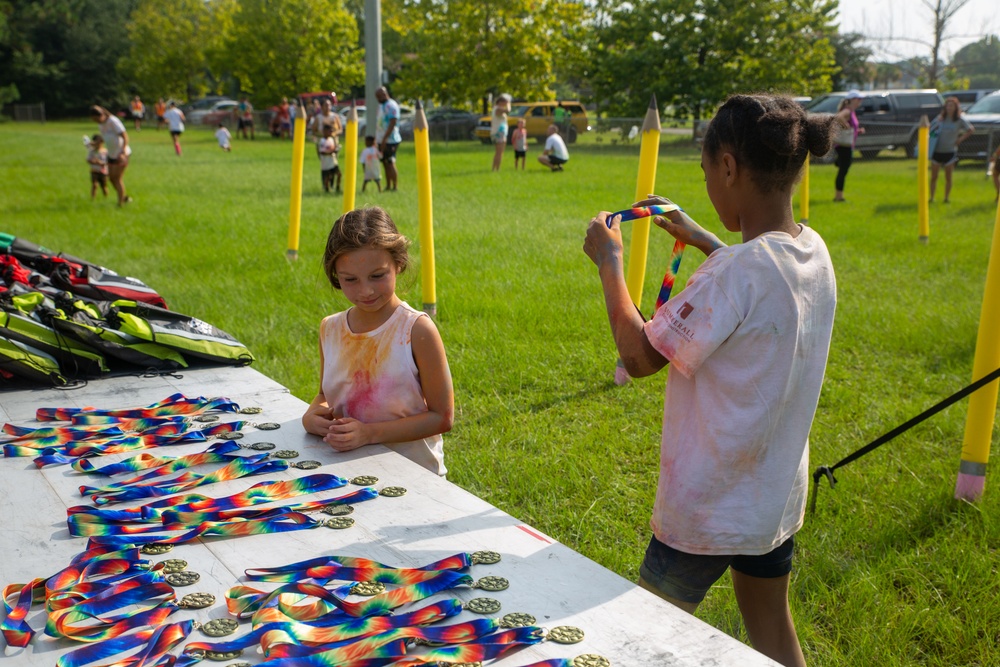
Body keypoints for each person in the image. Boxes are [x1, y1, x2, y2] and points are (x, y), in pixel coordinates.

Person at [583, 94, 837, 667]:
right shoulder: (811, 251)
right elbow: (755, 283)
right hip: (770, 498)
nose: (708, 184)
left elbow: (642, 355)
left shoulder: (734, 273)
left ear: (727, 166)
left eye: (705, 172)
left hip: (708, 506)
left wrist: (610, 263)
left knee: (644, 637)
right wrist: (703, 240)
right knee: (772, 624)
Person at [301, 206, 453, 476]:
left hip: (414, 476)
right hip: (346, 471)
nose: (365, 290)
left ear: (399, 263)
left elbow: (442, 417)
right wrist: (312, 416)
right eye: (350, 280)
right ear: (336, 276)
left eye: (377, 275)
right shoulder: (331, 328)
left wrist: (369, 433)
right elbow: (326, 395)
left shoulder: (416, 330)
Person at [929, 96, 974, 204]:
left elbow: (970, 129)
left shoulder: (959, 119)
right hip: (937, 151)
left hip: (950, 151)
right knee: (934, 176)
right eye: (947, 105)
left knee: (948, 177)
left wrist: (960, 139)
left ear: (955, 107)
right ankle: (931, 198)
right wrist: (936, 125)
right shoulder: (940, 118)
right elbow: (930, 130)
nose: (949, 108)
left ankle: (946, 198)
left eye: (951, 106)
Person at [89, 105, 132, 206]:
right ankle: (124, 197)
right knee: (112, 179)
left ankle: (120, 203)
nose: (97, 122)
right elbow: (105, 138)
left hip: (121, 154)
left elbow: (125, 136)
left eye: (97, 119)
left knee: (117, 178)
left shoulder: (113, 121)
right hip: (112, 154)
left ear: (102, 115)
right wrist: (94, 144)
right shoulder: (101, 124)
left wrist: (123, 152)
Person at [833, 90, 864, 202]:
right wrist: (846, 125)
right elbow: (838, 117)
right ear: (852, 100)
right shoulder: (847, 111)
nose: (860, 101)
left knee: (843, 167)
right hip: (843, 146)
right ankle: (839, 197)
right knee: (843, 170)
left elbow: (851, 126)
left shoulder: (852, 112)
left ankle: (837, 161)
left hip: (847, 145)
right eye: (858, 99)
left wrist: (858, 131)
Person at [375, 86, 401, 191]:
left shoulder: (391, 105)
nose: (379, 98)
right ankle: (388, 185)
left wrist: (385, 138)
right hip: (381, 139)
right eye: (377, 96)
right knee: (384, 162)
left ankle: (395, 186)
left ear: (386, 93)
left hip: (391, 140)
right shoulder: (381, 106)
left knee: (390, 162)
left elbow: (393, 122)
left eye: (381, 95)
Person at [317, 124, 340, 193]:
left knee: (339, 174)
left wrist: (336, 148)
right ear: (324, 131)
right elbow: (322, 152)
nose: (331, 133)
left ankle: (338, 188)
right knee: (327, 176)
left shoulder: (331, 139)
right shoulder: (322, 141)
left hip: (333, 161)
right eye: (329, 131)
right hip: (326, 162)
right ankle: (327, 189)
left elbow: (334, 147)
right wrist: (331, 152)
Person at [490, 94, 511, 171]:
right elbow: (508, 110)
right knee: (499, 152)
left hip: (501, 132)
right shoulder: (498, 109)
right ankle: (496, 169)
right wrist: (509, 104)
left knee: (500, 152)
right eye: (505, 102)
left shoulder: (497, 108)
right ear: (500, 102)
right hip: (498, 132)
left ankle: (495, 168)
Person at [85, 134, 108, 200]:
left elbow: (108, 161)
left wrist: (102, 163)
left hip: (103, 171)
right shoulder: (92, 151)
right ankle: (93, 198)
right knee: (94, 185)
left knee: (104, 186)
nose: (98, 143)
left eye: (100, 142)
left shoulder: (105, 151)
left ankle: (106, 198)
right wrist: (95, 162)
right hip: (94, 170)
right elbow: (88, 160)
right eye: (97, 142)